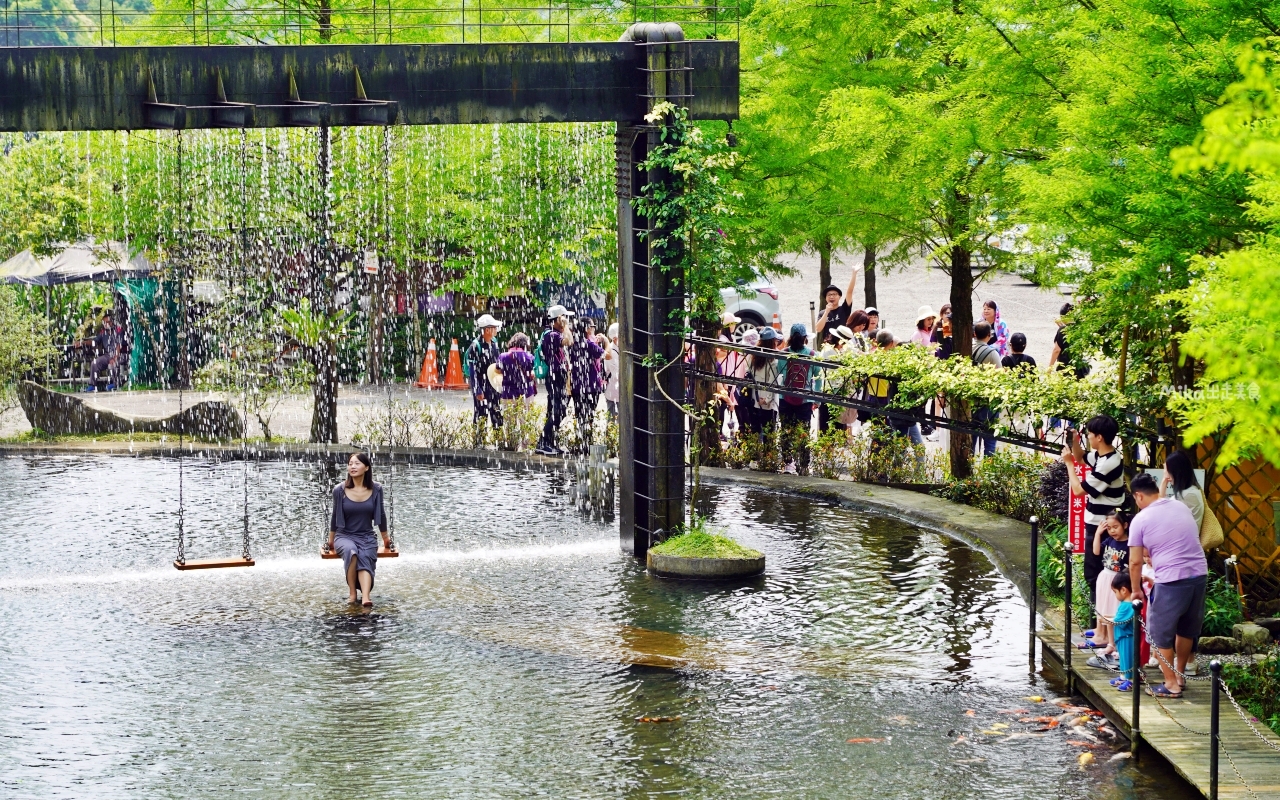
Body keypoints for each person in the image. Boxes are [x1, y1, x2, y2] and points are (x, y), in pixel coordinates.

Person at [1128, 472, 1209, 698]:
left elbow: (1135, 561)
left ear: (1138, 496)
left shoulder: (1140, 520)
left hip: (1171, 579)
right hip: (1199, 573)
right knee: (1186, 629)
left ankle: (1171, 683)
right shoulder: (1180, 506)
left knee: (1160, 633)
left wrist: (1136, 590)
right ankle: (1179, 675)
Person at [1063, 414, 1126, 618]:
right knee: (1096, 574)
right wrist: (1074, 440)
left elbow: (1079, 490)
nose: (1088, 437)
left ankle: (1101, 623)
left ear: (1099, 437)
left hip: (1103, 527)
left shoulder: (1109, 463)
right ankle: (1099, 624)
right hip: (1097, 524)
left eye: (1089, 434)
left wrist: (1069, 465)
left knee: (1096, 575)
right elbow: (1082, 456)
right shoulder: (1102, 455)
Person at [325, 453, 391, 608]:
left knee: (366, 556)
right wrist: (331, 540)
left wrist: (386, 538)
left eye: (357, 463)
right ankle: (352, 593)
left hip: (367, 535)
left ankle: (366, 597)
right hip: (344, 535)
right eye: (350, 464)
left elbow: (381, 514)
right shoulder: (339, 490)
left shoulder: (376, 489)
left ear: (366, 467)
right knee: (351, 552)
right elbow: (335, 517)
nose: (352, 467)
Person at [1088, 510, 1132, 663]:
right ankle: (1111, 643)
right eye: (1109, 528)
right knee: (1105, 611)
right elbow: (1096, 551)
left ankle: (1118, 645)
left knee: (1116, 612)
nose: (1112, 531)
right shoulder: (1108, 540)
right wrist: (1099, 533)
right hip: (1105, 576)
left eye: (1116, 527)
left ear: (1125, 525)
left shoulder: (1129, 544)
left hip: (1119, 580)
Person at [778, 323, 819, 473]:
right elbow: (818, 377)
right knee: (803, 432)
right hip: (805, 399)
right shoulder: (812, 354)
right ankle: (804, 464)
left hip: (785, 398)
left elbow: (778, 373)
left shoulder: (783, 353)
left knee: (786, 431)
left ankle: (788, 463)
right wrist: (817, 400)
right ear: (804, 338)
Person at [535, 305, 572, 455]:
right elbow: (569, 341)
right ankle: (543, 443)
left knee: (554, 410)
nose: (567, 321)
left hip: (556, 375)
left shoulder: (551, 333)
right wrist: (566, 325)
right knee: (559, 410)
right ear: (558, 319)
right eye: (565, 317)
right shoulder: (552, 335)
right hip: (555, 375)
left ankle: (548, 443)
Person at [568, 318, 605, 449]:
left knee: (580, 415)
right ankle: (587, 443)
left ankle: (580, 442)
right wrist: (605, 341)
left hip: (577, 386)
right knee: (589, 415)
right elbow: (606, 355)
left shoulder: (572, 343)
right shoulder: (588, 344)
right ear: (586, 328)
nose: (594, 329)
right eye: (592, 326)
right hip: (591, 385)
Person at [465, 314, 504, 428]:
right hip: (482, 385)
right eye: (494, 327)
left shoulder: (494, 342)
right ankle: (478, 442)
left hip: (494, 385)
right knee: (481, 414)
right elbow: (473, 370)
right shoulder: (475, 346)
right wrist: (477, 389)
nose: (496, 329)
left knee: (497, 412)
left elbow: (497, 363)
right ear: (487, 330)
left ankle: (499, 441)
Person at [970, 321, 1002, 456]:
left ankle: (967, 469)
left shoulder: (967, 348)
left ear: (974, 334)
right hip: (988, 402)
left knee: (970, 440)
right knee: (989, 442)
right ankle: (988, 471)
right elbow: (1000, 376)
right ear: (989, 335)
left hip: (970, 400)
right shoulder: (992, 353)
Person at [744, 326, 782, 437]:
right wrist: (767, 399)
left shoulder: (752, 356)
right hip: (768, 404)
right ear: (773, 342)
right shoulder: (773, 360)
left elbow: (748, 374)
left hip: (753, 400)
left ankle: (755, 454)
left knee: (755, 433)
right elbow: (772, 382)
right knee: (768, 436)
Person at [816, 265, 861, 343]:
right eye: (829, 295)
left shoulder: (844, 309)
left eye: (834, 294)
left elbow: (849, 292)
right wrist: (826, 312)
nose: (832, 296)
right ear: (826, 298)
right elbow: (818, 329)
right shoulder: (822, 313)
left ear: (839, 297)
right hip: (828, 345)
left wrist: (854, 274)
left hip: (843, 344)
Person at [1161, 450, 1205, 529]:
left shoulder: (1188, 495)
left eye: (1169, 471)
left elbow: (1159, 508)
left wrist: (1164, 481)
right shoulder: (1190, 491)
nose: (1167, 476)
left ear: (1178, 472)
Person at [1110, 570, 1138, 692]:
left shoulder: (1128, 605)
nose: (1115, 595)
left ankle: (1130, 680)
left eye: (1115, 592)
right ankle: (1123, 676)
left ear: (1123, 590)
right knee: (1123, 658)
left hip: (1127, 637)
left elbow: (1118, 621)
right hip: (1122, 637)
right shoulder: (1125, 604)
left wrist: (1105, 619)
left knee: (1127, 659)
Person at [496, 332, 536, 409]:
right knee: (526, 420)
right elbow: (532, 371)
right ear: (525, 344)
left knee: (509, 420)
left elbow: (497, 371)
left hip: (508, 394)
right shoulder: (529, 357)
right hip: (526, 394)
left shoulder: (503, 357)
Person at [1049, 302, 1089, 378]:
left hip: (1065, 368)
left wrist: (1049, 369)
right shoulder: (1080, 328)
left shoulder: (1062, 330)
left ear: (1062, 317)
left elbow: (1056, 350)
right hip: (1079, 367)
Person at [88, 311, 125, 391]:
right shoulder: (103, 332)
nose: (105, 324)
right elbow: (94, 341)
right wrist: (81, 343)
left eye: (107, 322)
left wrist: (115, 357)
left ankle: (115, 384)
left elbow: (119, 345)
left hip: (121, 354)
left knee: (112, 364)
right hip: (108, 355)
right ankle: (92, 386)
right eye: (104, 322)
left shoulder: (118, 330)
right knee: (94, 363)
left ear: (112, 322)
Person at [603, 323, 620, 421]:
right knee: (612, 422)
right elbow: (617, 374)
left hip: (618, 393)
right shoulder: (611, 352)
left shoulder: (618, 348)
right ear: (614, 338)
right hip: (613, 393)